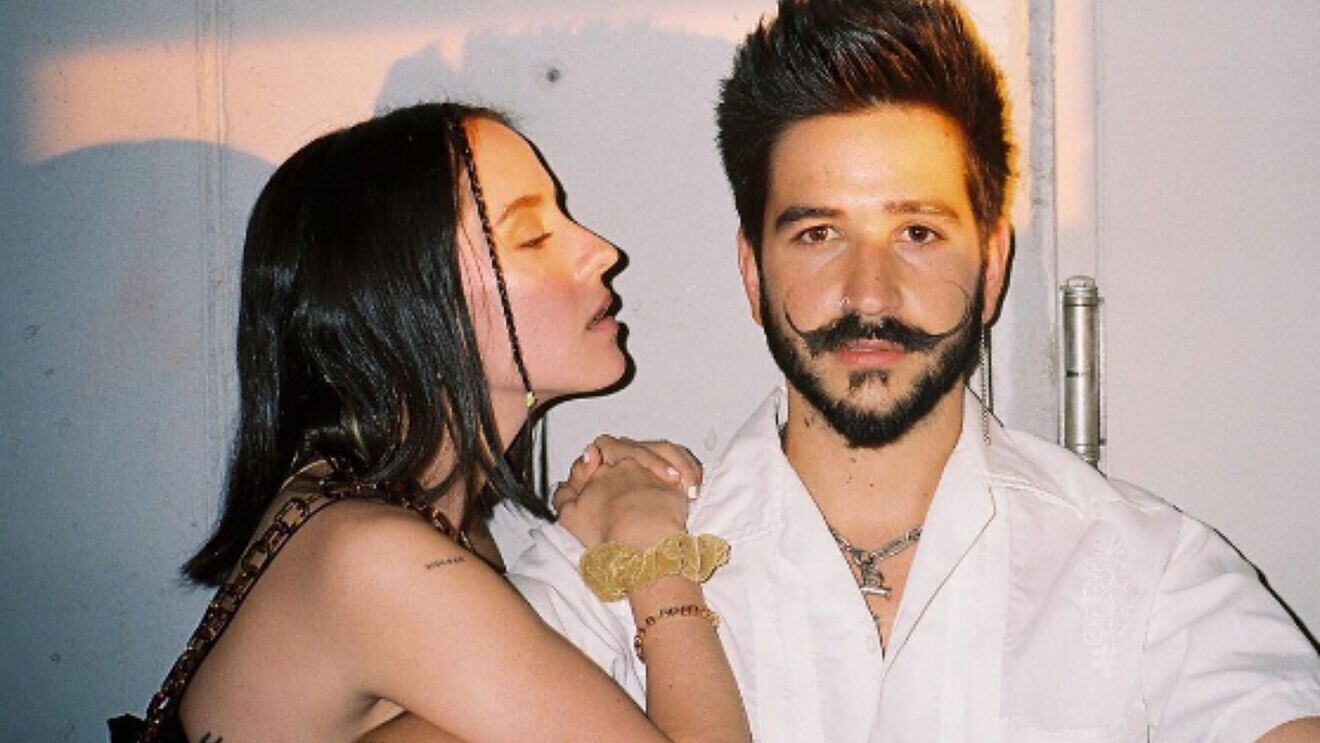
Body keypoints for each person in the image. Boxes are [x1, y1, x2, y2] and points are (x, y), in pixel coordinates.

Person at [488, 1, 1320, 741]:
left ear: (991, 267)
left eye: (918, 233)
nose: (869, 293)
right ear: (752, 273)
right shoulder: (607, 560)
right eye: (819, 234)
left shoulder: (1148, 570)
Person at [124, 102, 750, 742]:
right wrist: (651, 551)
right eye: (532, 237)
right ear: (403, 303)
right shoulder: (375, 559)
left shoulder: (424, 524)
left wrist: (587, 533)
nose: (602, 252)